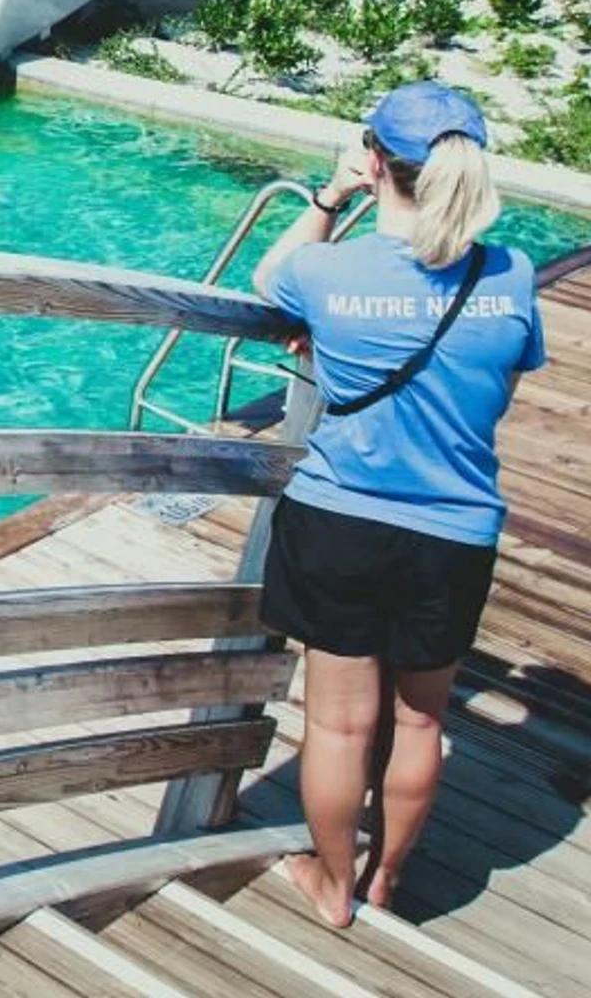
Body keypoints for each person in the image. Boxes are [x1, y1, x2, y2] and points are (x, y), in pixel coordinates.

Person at [251, 82, 545, 930]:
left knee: (340, 727)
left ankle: (332, 886)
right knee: (421, 721)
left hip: (340, 521)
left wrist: (330, 194)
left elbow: (269, 280)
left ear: (376, 159)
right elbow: (499, 387)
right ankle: (388, 880)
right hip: (455, 530)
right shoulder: (512, 274)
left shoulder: (327, 271)